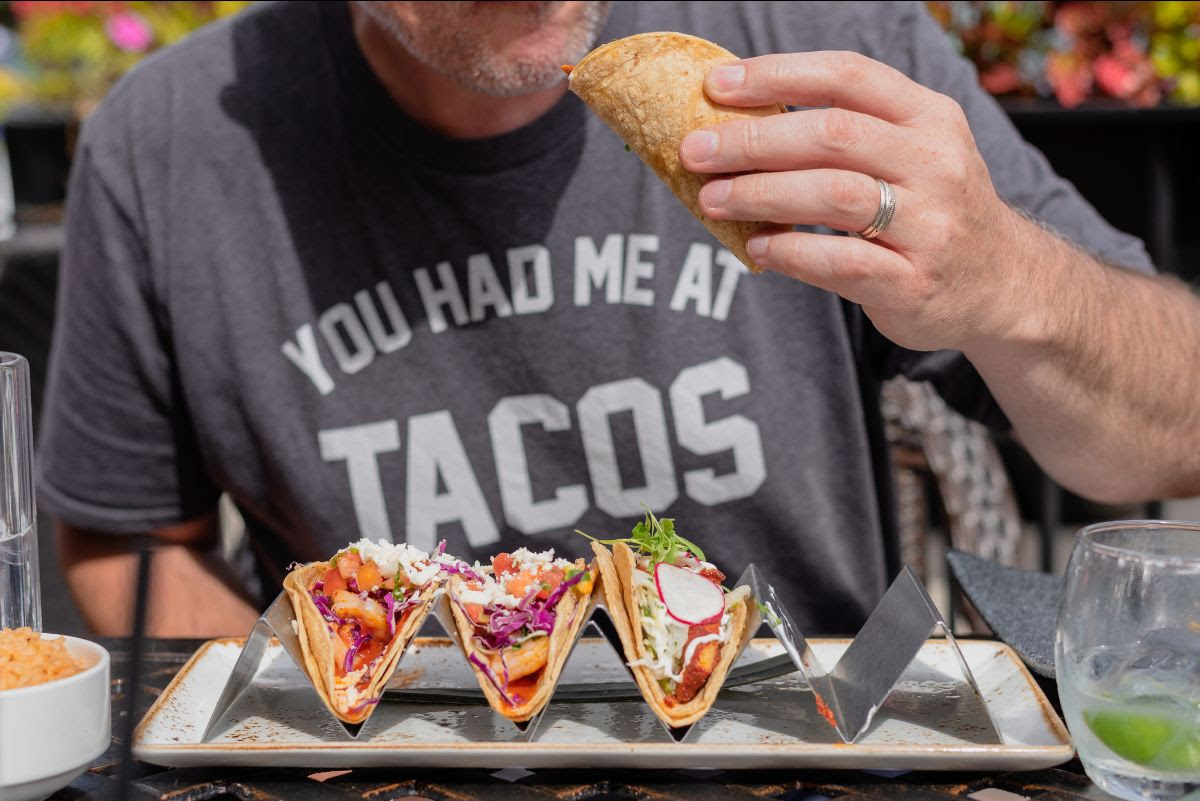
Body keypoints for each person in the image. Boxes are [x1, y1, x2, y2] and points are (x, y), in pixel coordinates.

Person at [38, 1, 1200, 637]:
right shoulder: (168, 144)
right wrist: (310, 714)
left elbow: (1174, 435)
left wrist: (1013, 279)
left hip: (805, 753)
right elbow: (129, 536)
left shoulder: (822, 41)